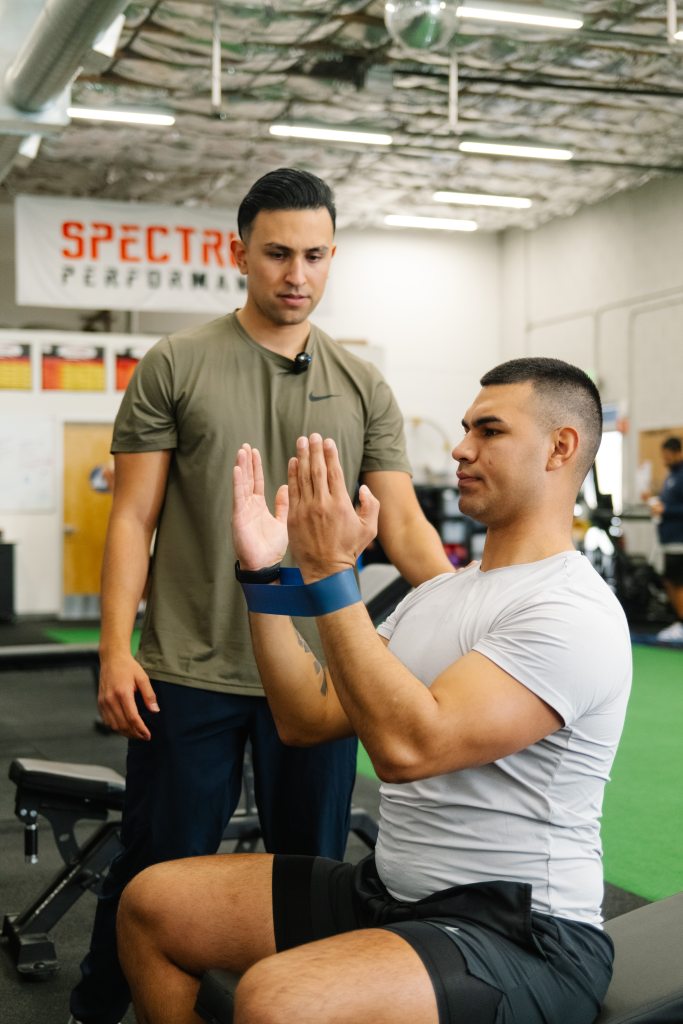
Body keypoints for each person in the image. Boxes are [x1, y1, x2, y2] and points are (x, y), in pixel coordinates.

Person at [117, 357, 633, 1024]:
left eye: (489, 431)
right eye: (465, 429)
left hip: (519, 934)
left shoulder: (569, 610)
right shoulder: (438, 594)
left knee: (277, 998)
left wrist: (330, 571)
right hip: (389, 894)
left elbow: (409, 747)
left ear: (560, 447)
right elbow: (306, 717)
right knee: (153, 905)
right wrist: (265, 575)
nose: (461, 448)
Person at [68, 168, 453, 1024]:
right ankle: (95, 1010)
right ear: (236, 252)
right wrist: (114, 649)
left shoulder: (363, 384)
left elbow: (406, 526)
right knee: (156, 867)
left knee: (312, 877)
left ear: (332, 257)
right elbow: (132, 517)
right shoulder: (176, 363)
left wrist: (481, 613)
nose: (296, 274)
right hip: (190, 668)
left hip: (321, 680)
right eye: (277, 253)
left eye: (314, 256)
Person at [647, 436, 683, 641]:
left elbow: (673, 507)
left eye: (668, 455)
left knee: (678, 583)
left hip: (679, 540)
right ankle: (679, 621)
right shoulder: (672, 476)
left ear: (677, 453)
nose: (665, 459)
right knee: (669, 581)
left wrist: (665, 509)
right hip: (667, 540)